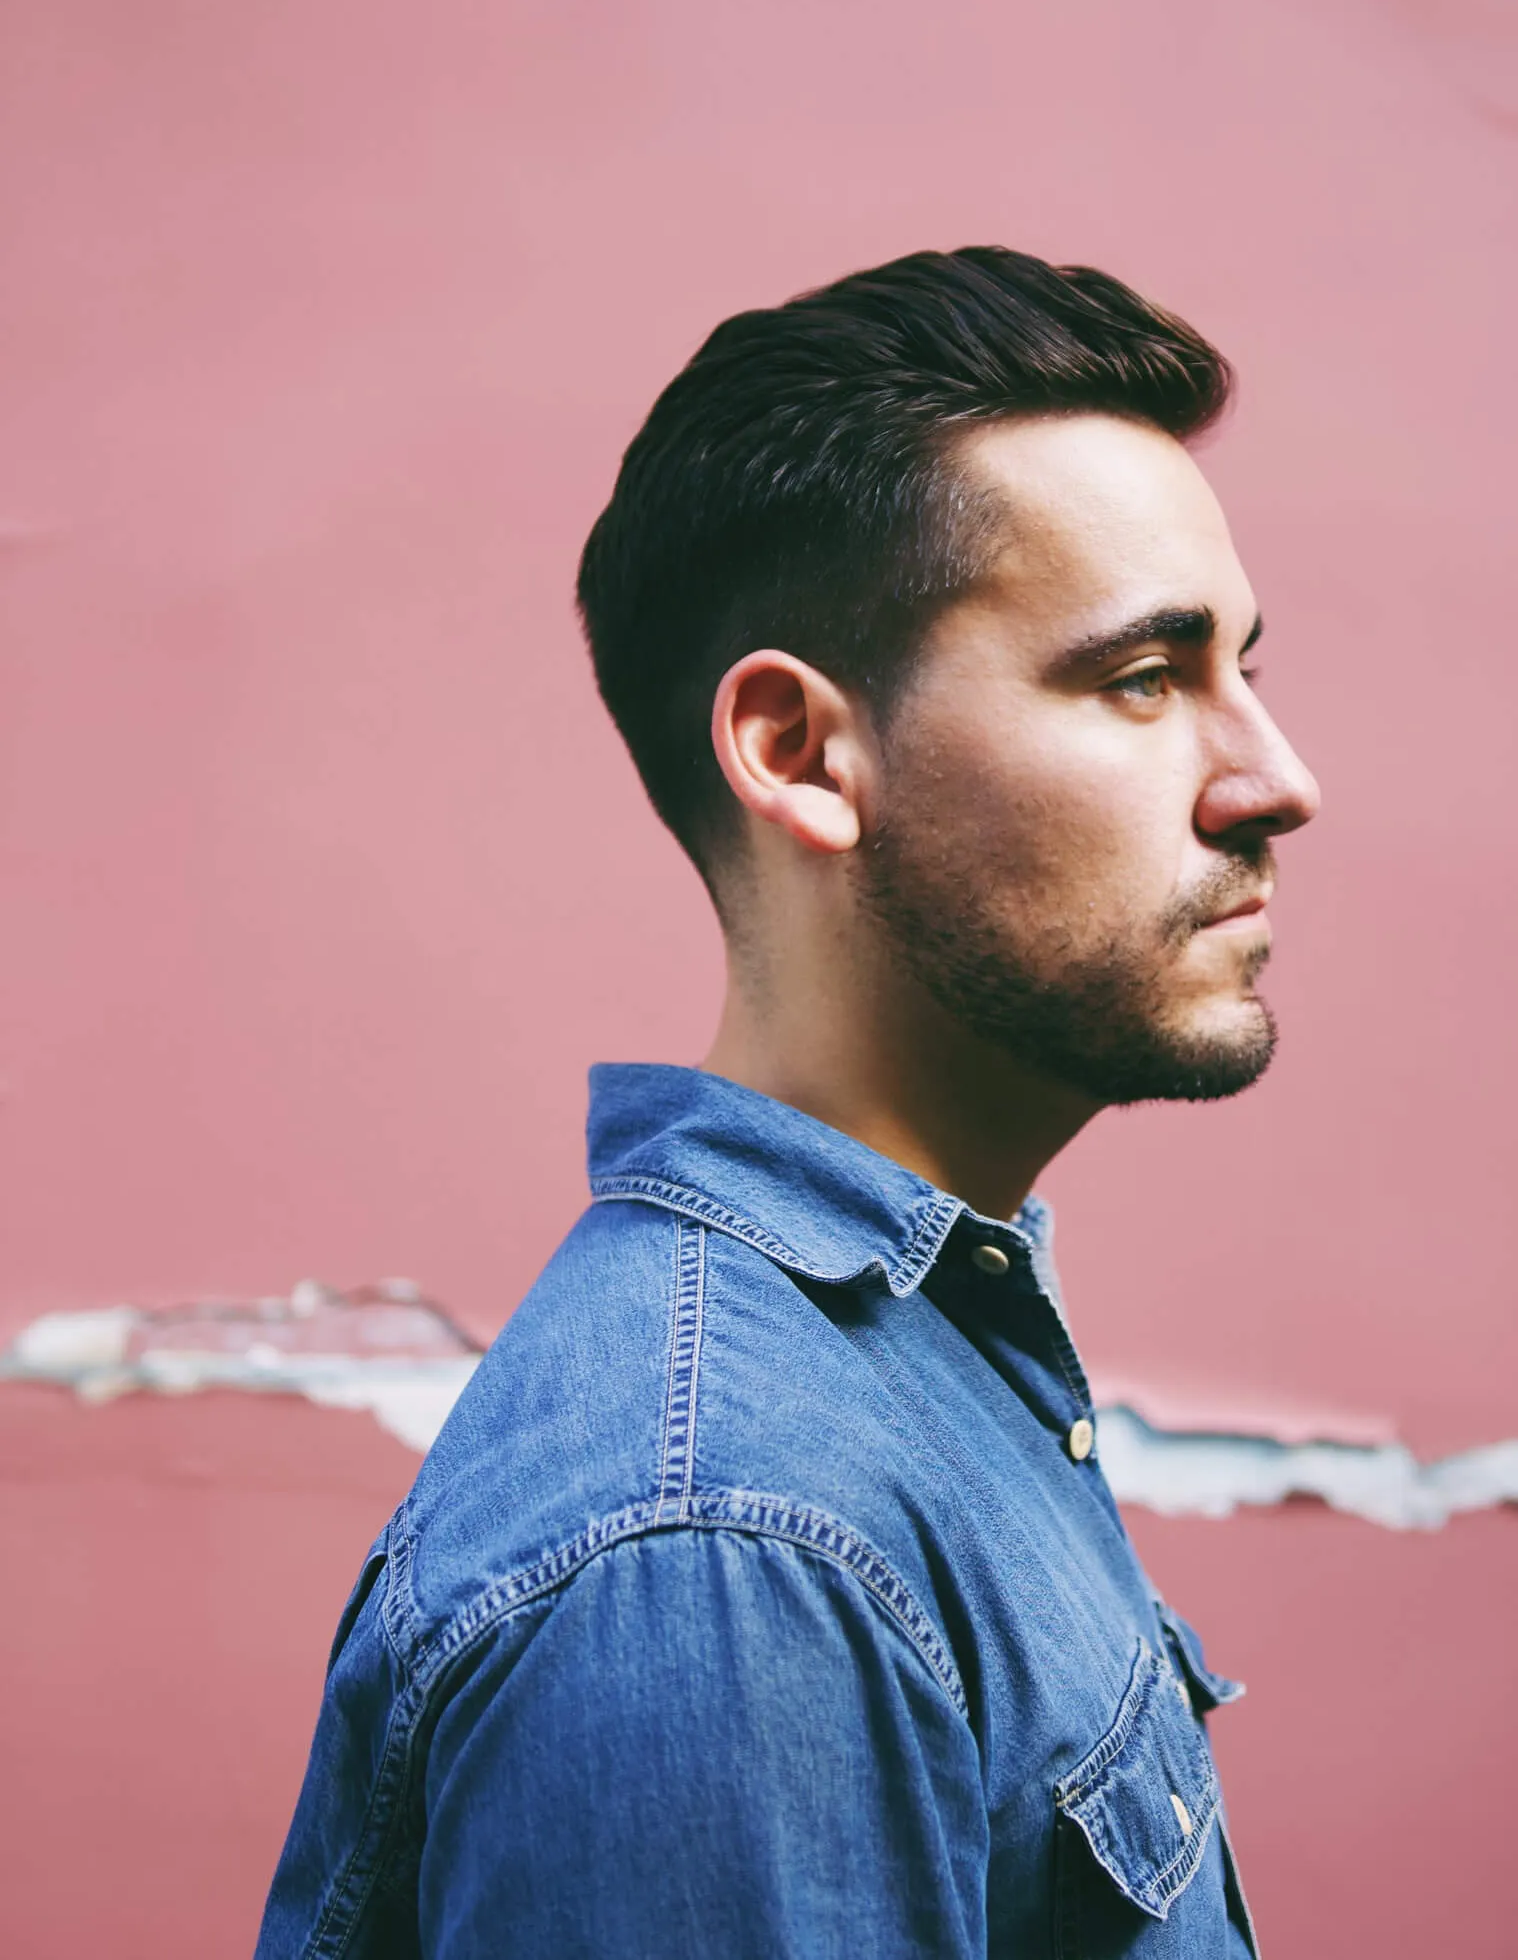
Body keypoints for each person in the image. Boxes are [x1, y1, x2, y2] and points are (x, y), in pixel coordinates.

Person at [258, 246, 1319, 1957]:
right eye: (1143, 677)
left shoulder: (901, 1370)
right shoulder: (726, 1552)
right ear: (802, 753)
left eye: (1247, 670)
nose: (1276, 779)